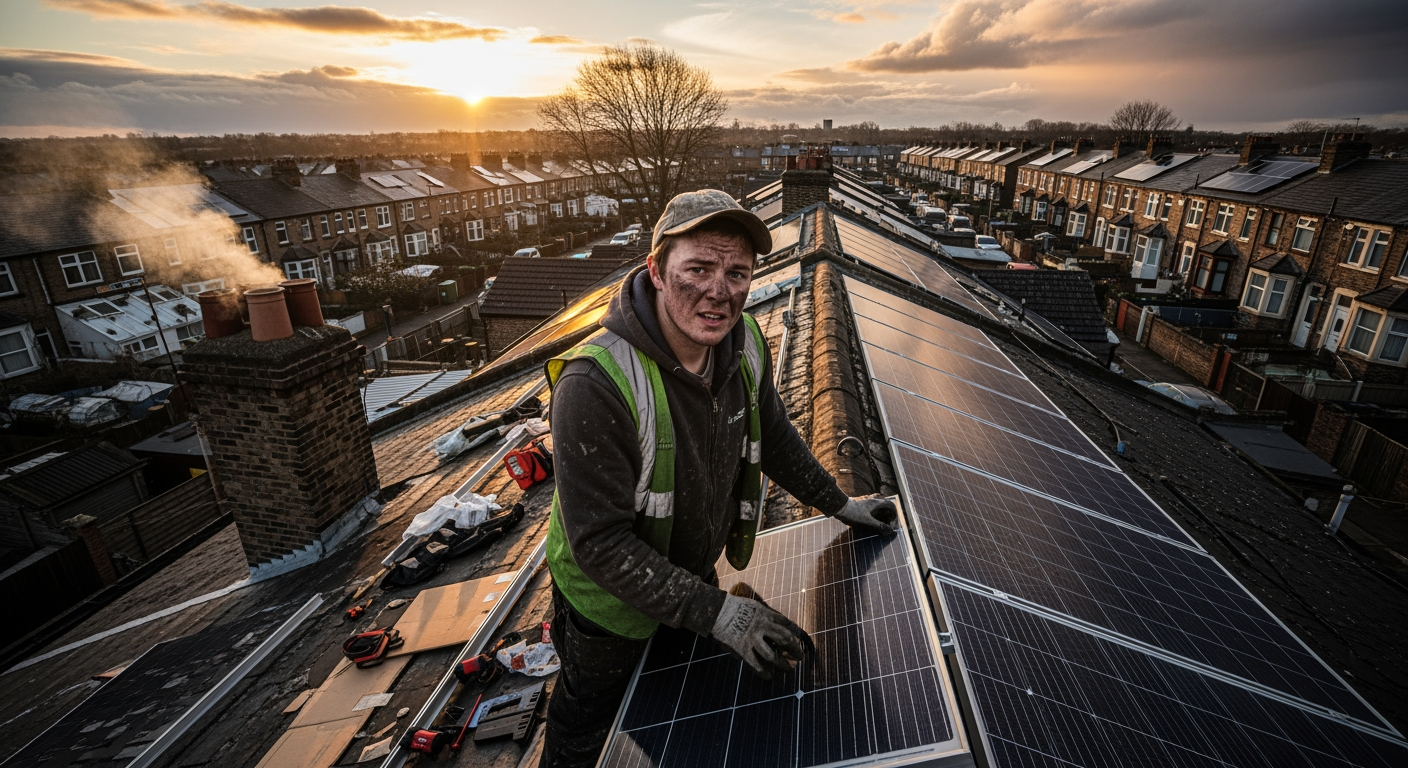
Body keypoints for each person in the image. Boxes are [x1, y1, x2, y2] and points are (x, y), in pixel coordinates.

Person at [541, 189, 897, 768]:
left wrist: (841, 504)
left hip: (688, 577)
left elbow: (775, 437)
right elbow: (599, 545)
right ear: (656, 270)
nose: (719, 290)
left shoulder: (744, 343)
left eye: (737, 272)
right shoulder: (595, 385)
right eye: (698, 269)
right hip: (608, 610)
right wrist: (719, 614)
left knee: (675, 719)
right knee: (591, 733)